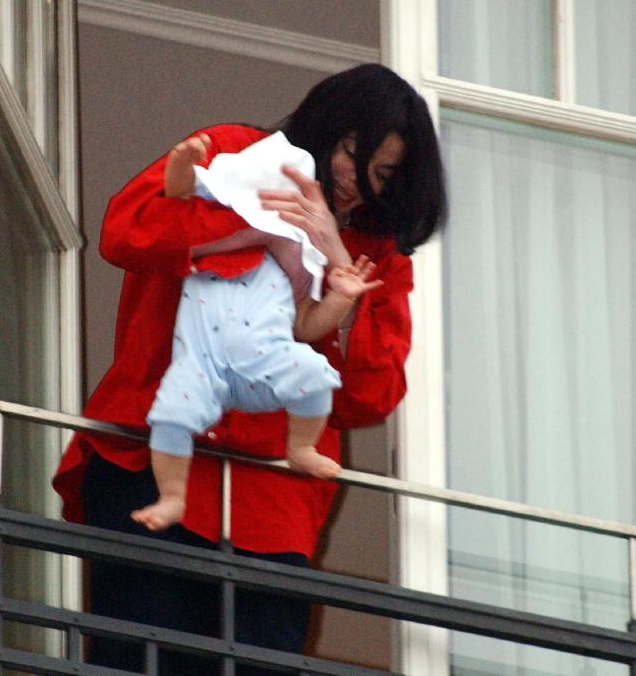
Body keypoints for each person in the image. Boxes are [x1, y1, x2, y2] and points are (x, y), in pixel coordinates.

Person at [52, 63, 447, 675]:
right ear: (327, 126)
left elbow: (368, 397)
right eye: (351, 152)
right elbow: (124, 232)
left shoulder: (378, 257)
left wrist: (338, 262)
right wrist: (259, 226)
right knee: (135, 662)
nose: (358, 181)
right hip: (153, 458)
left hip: (272, 506)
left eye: (384, 174)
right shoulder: (240, 154)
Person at [133, 130, 384, 532]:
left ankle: (300, 446)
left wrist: (341, 298)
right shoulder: (214, 237)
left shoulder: (297, 262)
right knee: (171, 417)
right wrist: (183, 160)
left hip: (263, 365)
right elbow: (179, 191)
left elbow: (306, 326)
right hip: (200, 365)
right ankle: (173, 496)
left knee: (314, 374)